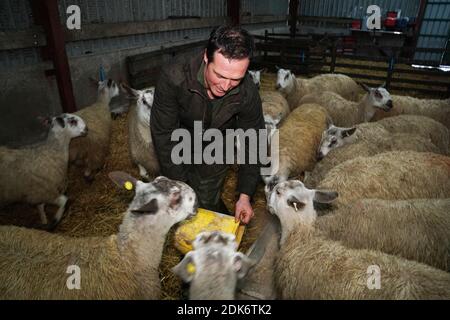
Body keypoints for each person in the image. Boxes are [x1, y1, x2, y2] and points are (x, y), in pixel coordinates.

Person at [150, 25, 264, 225]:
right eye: (220, 75)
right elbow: (163, 133)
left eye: (235, 78)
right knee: (185, 201)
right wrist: (181, 188)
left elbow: (253, 141)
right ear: (206, 58)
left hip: (219, 142)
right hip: (180, 138)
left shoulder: (246, 92)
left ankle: (215, 238)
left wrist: (245, 195)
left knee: (207, 196)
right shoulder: (174, 76)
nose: (226, 86)